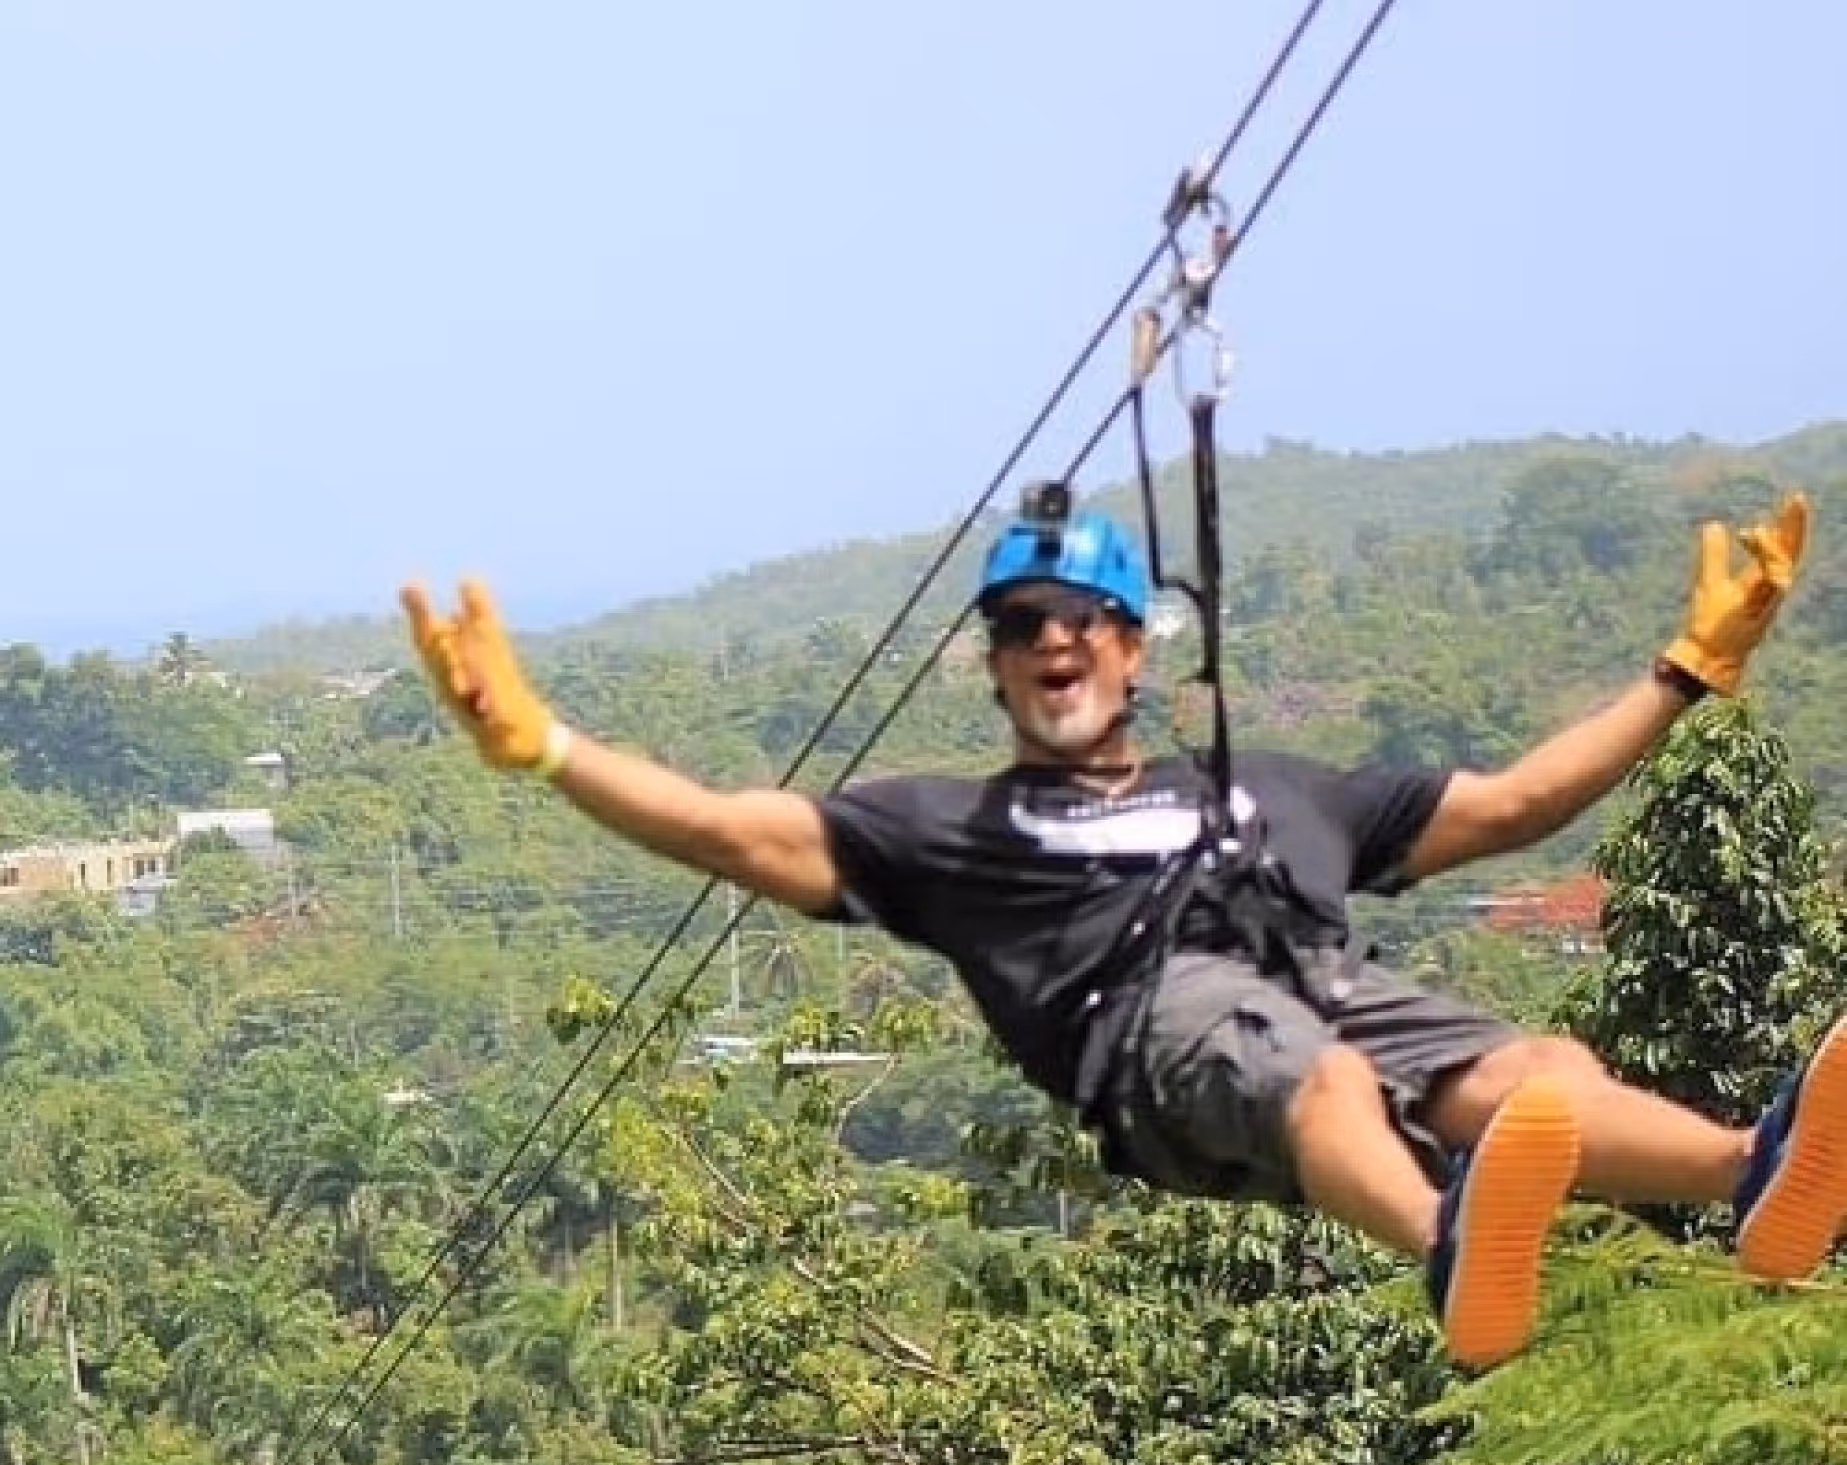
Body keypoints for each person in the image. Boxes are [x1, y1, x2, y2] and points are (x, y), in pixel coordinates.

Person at [401, 485, 1840, 1371]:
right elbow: (732, 830)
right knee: (1318, 1069)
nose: (1054, 639)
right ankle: (1445, 1246)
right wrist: (547, 748)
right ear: (995, 665)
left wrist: (1684, 670)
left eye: (1081, 615)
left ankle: (1749, 1175)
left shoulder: (1278, 795)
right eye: (1022, 623)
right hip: (1155, 1038)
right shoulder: (954, 831)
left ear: (1132, 645)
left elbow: (1520, 801)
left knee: (1540, 1075)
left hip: (1316, 984)